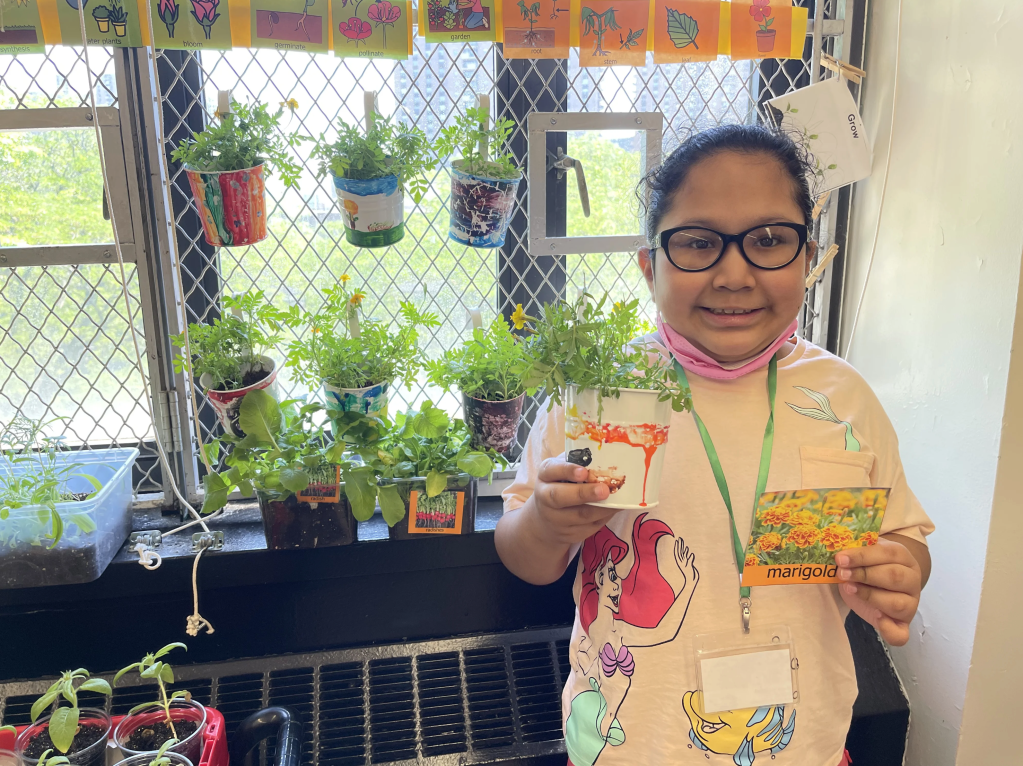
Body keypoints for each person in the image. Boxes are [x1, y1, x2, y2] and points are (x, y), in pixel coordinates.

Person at [496, 124, 933, 766]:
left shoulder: (842, 398)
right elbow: (525, 556)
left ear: (809, 258)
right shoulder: (601, 393)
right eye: (698, 243)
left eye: (769, 241)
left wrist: (898, 570)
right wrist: (546, 520)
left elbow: (905, 540)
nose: (734, 274)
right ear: (650, 265)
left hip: (798, 747)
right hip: (629, 746)